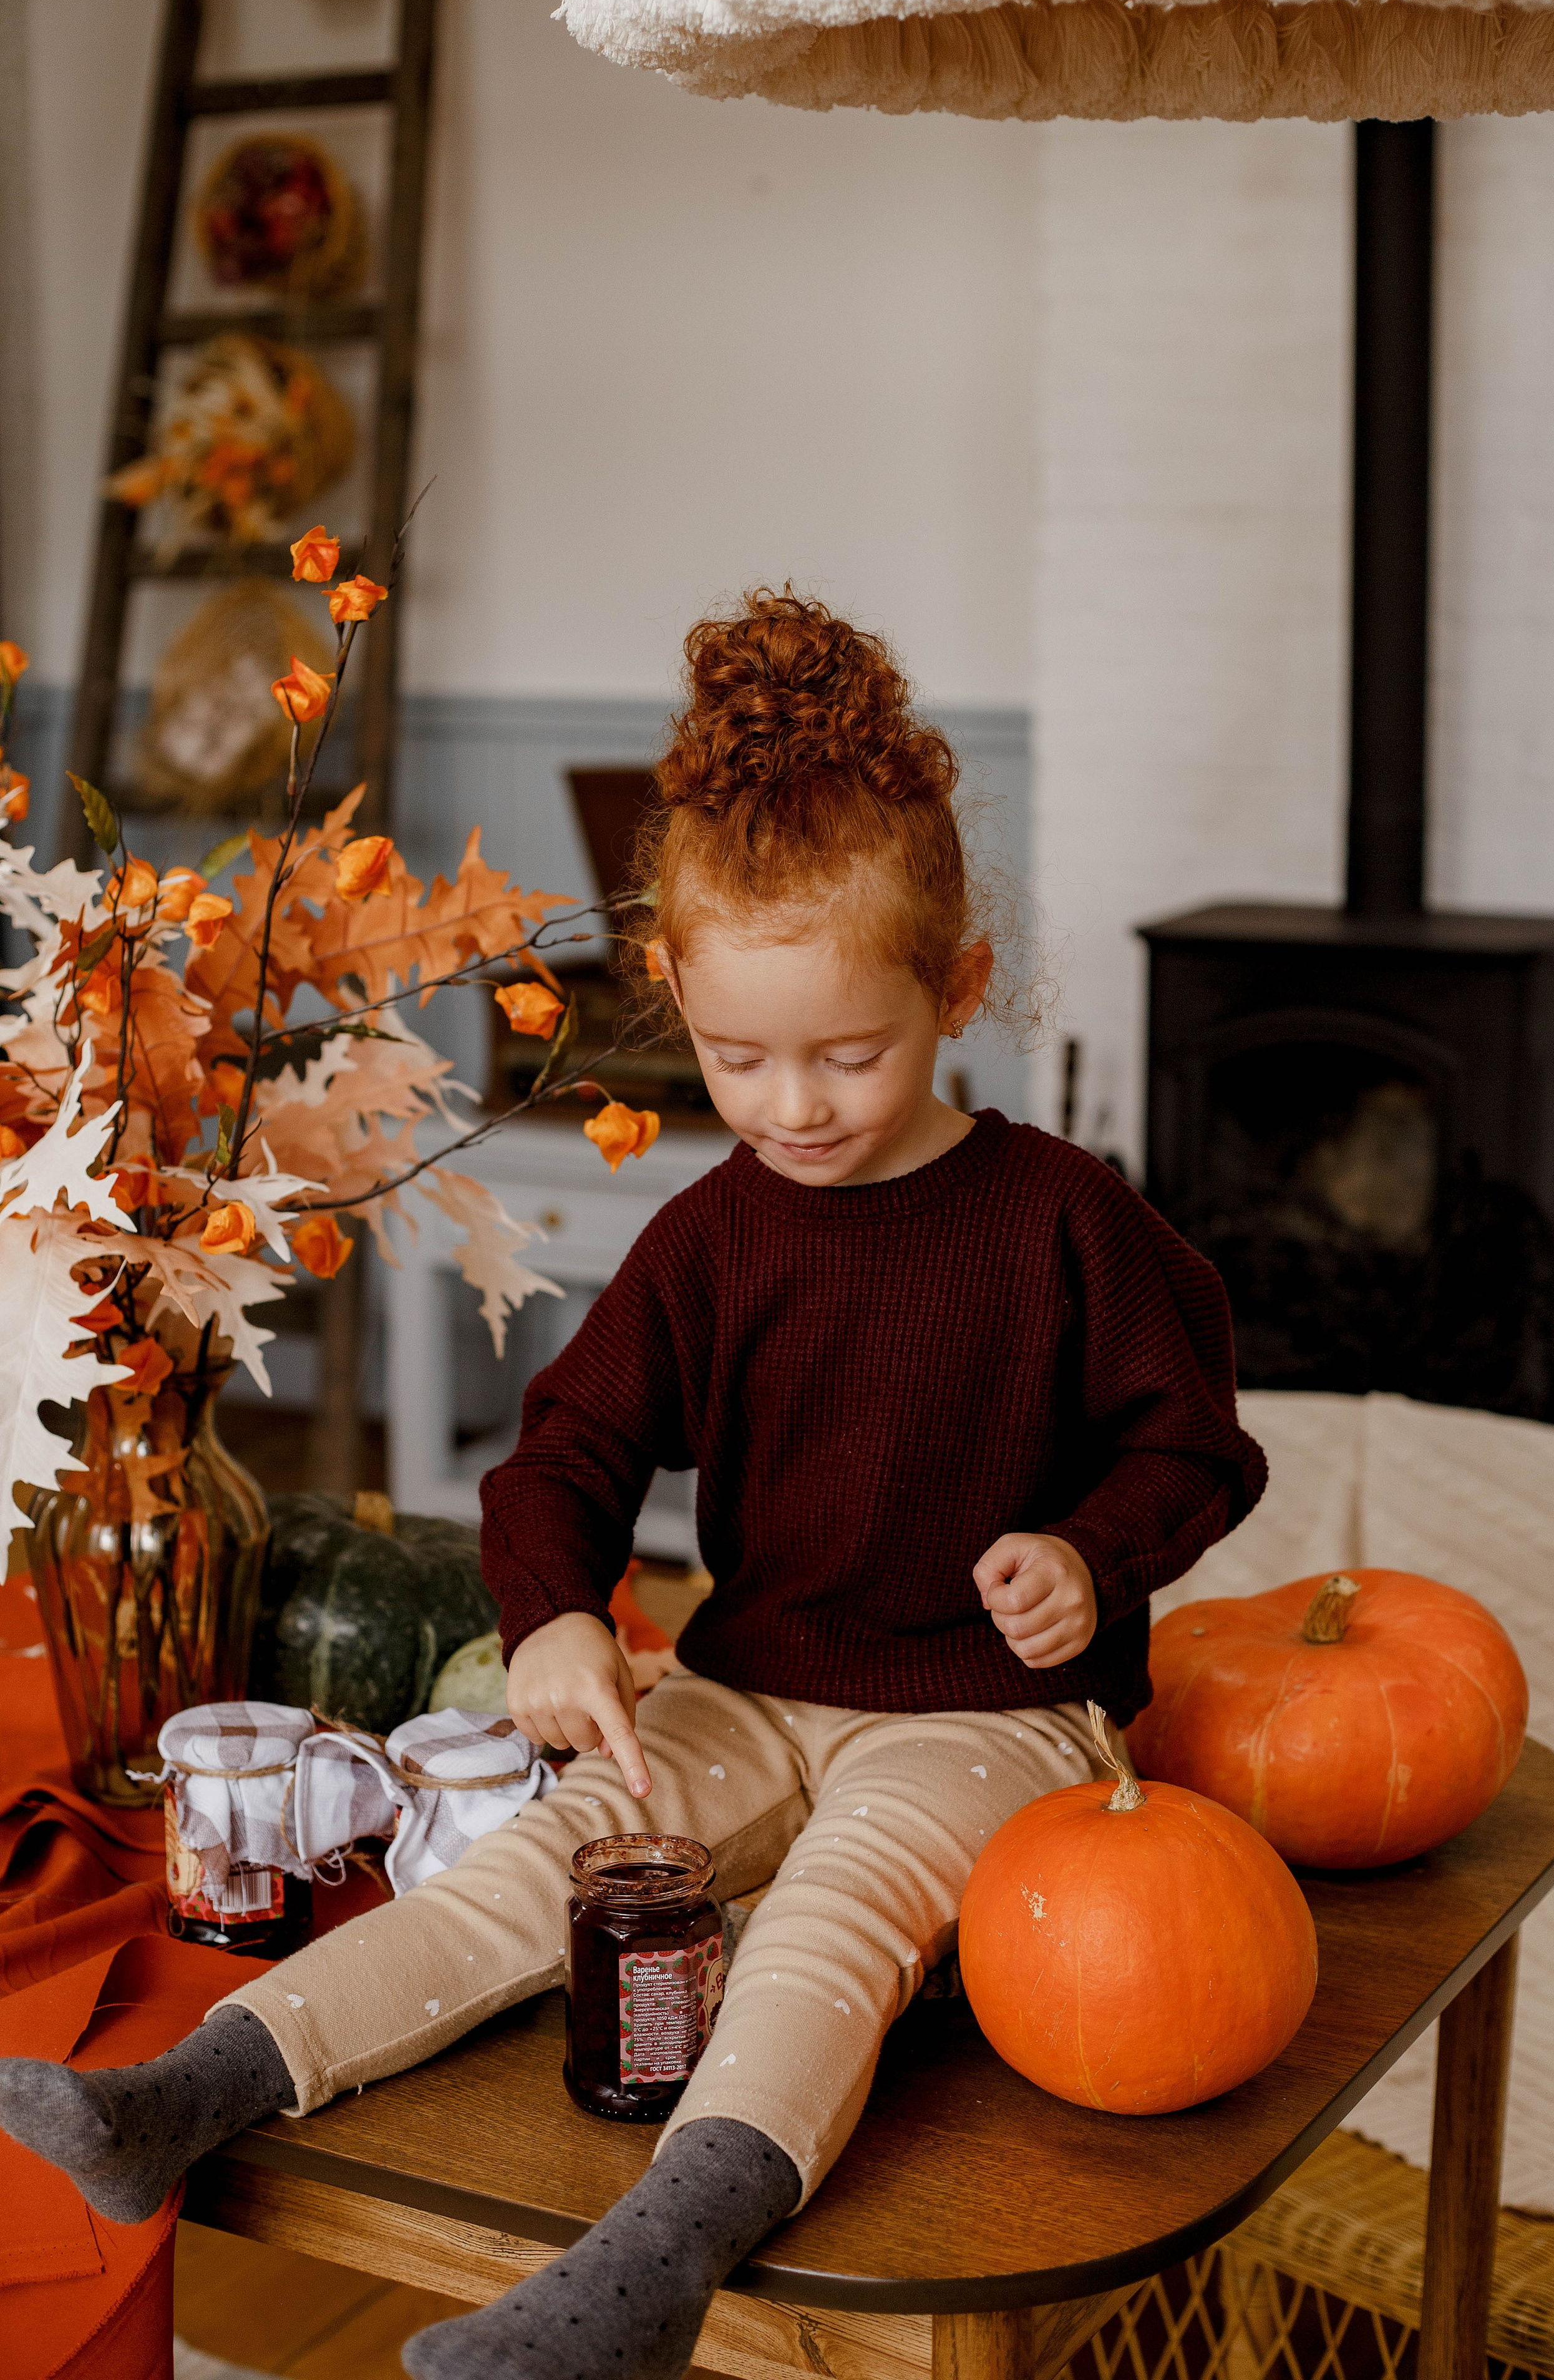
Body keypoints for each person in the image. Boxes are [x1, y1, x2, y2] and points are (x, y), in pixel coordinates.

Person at [0, 590, 1266, 2380]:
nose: (799, 1107)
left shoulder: (1065, 1220)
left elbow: (1200, 1444)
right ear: (674, 996)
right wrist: (555, 1622)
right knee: (552, 1865)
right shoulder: (710, 1236)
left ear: (958, 990)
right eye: (742, 1061)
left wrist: (1091, 1547)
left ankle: (655, 2268)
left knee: (832, 1918)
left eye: (854, 1055)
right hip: (753, 1680)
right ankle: (185, 2099)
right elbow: (569, 1452)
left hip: (995, 1718)